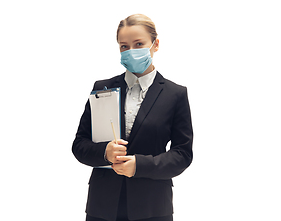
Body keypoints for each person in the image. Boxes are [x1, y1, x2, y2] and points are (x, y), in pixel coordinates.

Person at [72, 14, 193, 221]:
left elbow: (182, 154)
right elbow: (79, 145)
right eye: (124, 46)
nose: (131, 52)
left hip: (152, 207)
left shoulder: (175, 94)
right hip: (103, 207)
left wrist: (140, 165)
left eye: (139, 44)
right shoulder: (102, 89)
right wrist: (105, 152)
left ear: (155, 44)